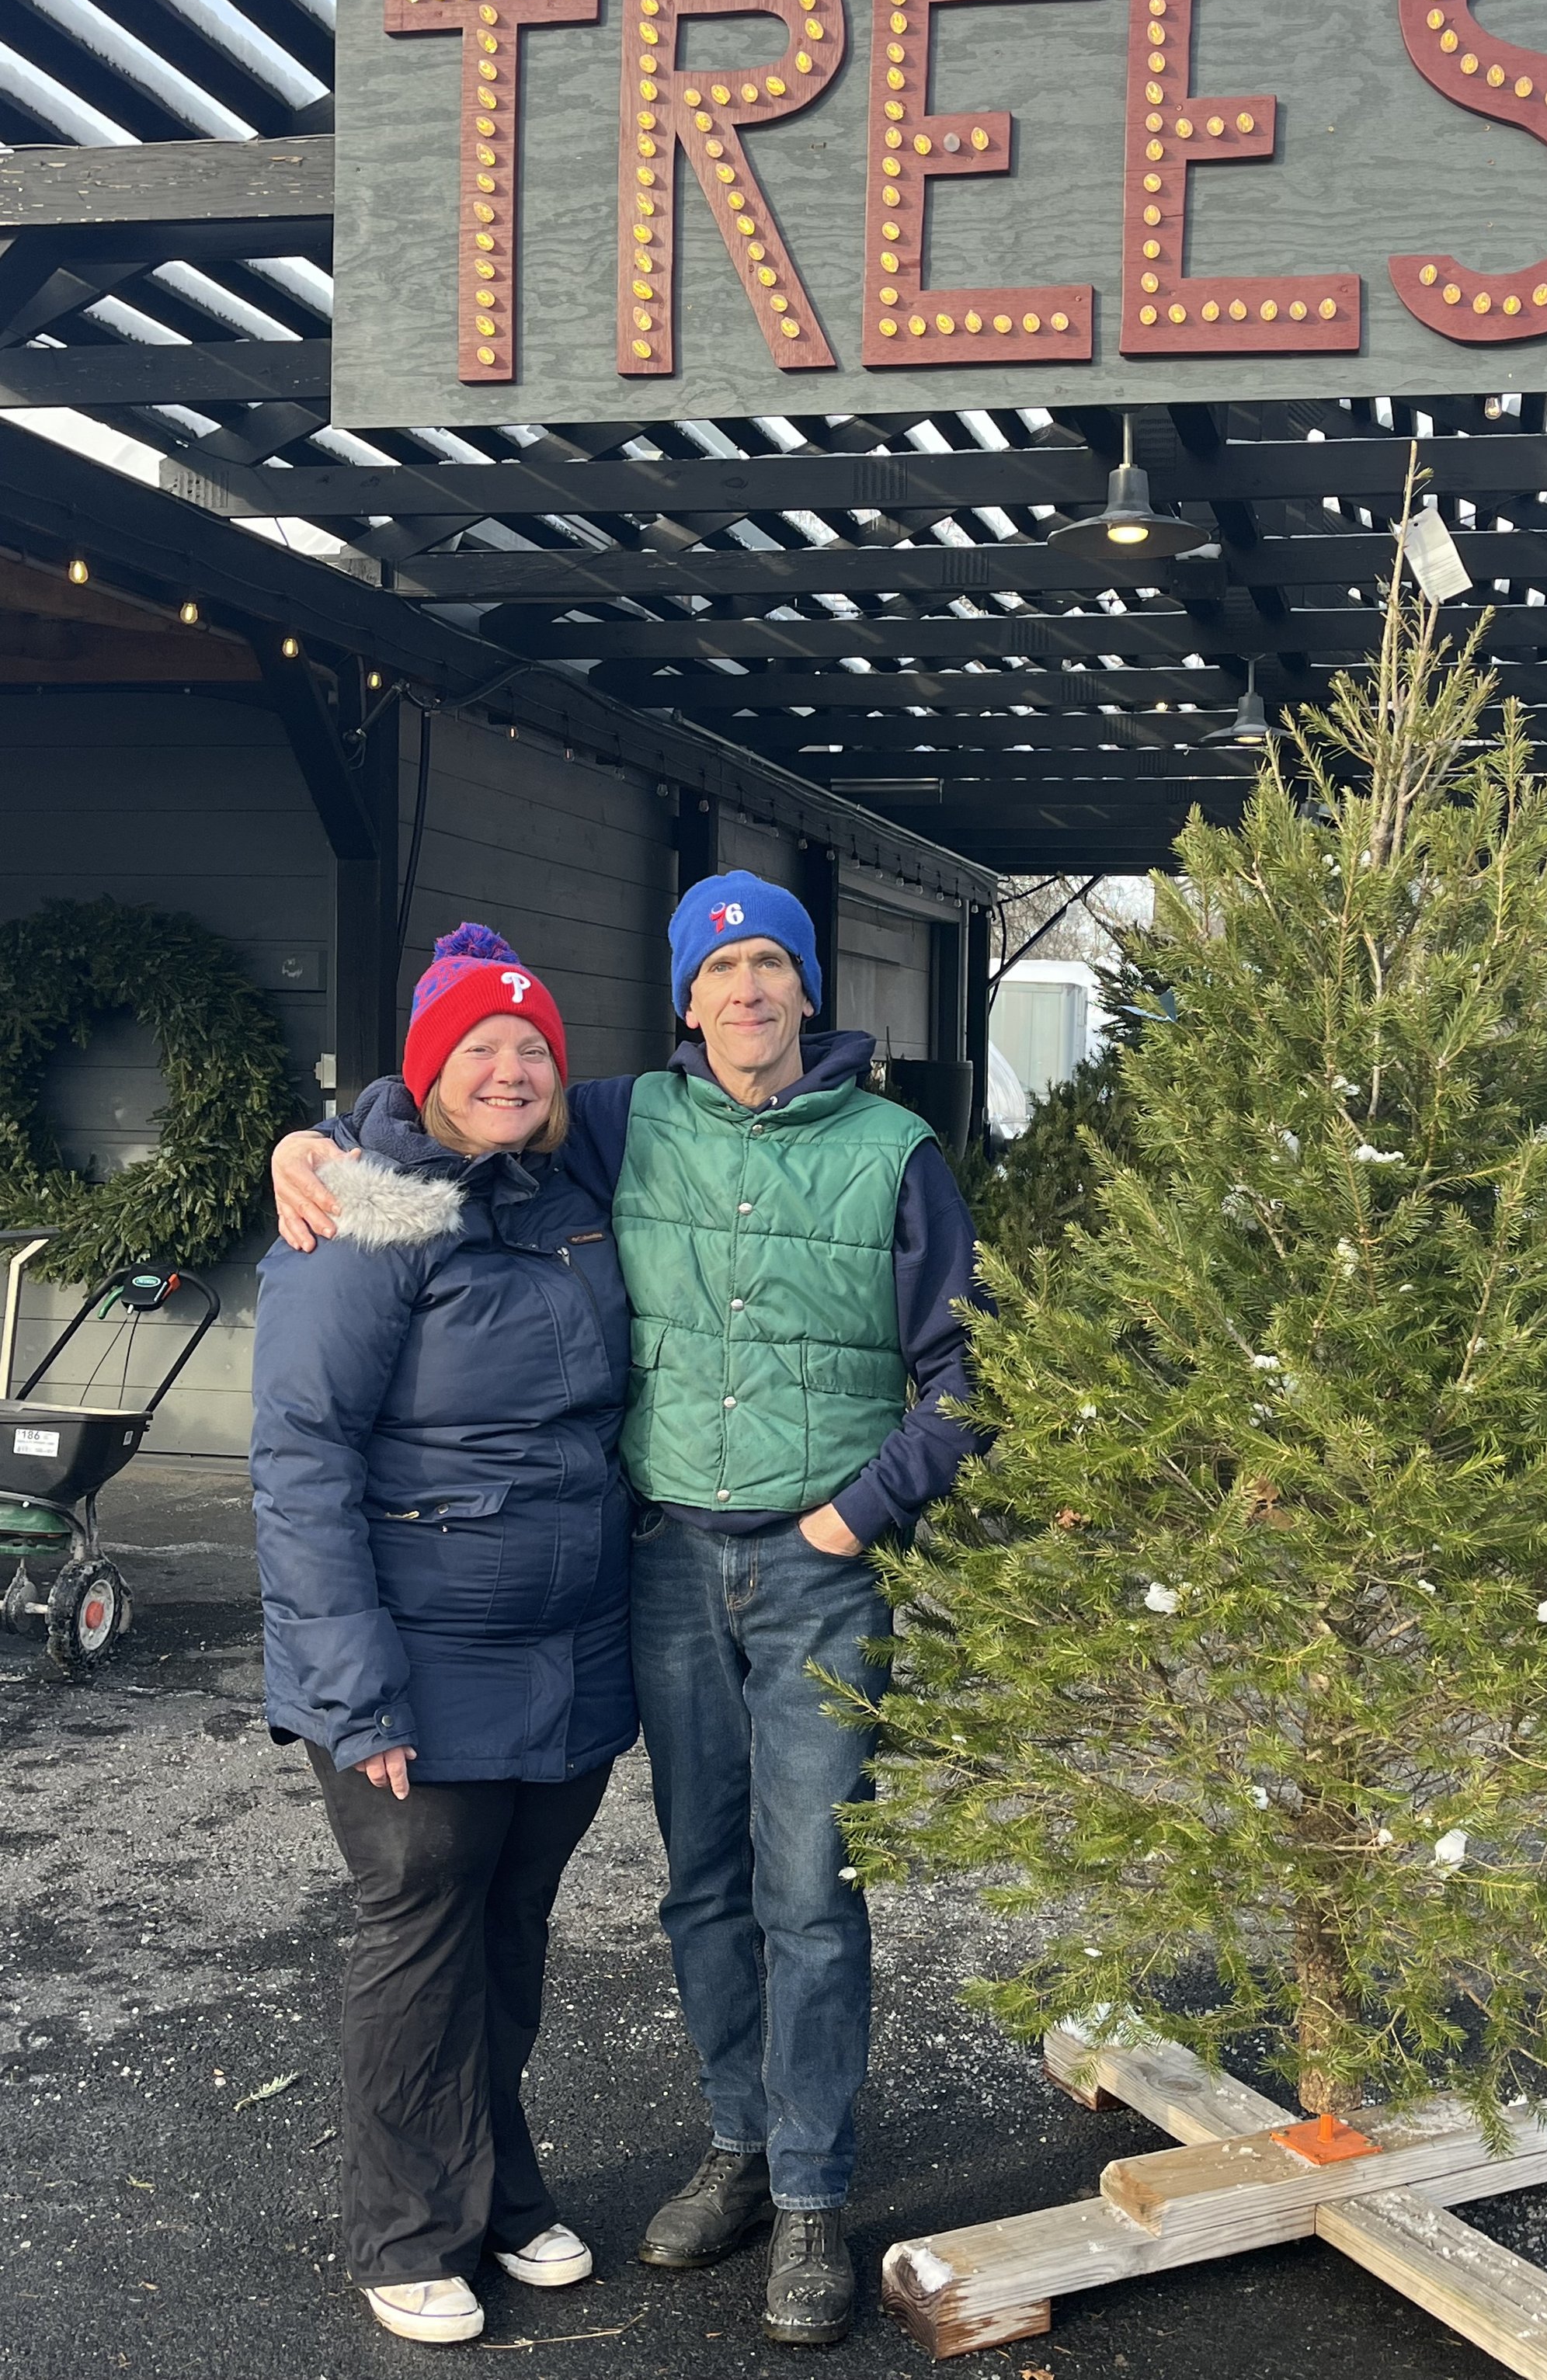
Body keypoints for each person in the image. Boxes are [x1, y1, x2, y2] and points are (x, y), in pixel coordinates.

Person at [273, 872, 983, 2348]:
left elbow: (969, 1372)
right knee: (699, 1879)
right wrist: (310, 1142)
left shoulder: (891, 1151)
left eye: (771, 965)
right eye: (719, 972)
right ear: (684, 1000)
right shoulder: (626, 1119)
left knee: (807, 1883)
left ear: (808, 988)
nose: (747, 992)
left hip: (809, 1571)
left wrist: (858, 1511)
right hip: (657, 1567)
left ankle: (810, 2194)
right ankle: (731, 2149)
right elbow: (441, 1107)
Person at [253, 924, 637, 2349]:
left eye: (533, 1046)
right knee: (421, 1927)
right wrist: (355, 1691)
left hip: (565, 1648)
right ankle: (409, 2227)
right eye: (479, 1046)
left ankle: (495, 2184)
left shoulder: (574, 1183)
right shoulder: (372, 1205)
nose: (510, 1069)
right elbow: (302, 1453)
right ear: (425, 1069)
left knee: (507, 1931)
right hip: (416, 1655)